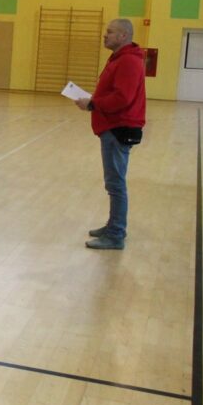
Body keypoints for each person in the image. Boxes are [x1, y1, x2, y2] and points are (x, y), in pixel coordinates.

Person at [74, 18, 146, 250]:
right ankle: (113, 225)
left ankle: (116, 234)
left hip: (118, 128)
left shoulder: (128, 61)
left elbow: (122, 97)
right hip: (112, 126)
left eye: (110, 32)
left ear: (123, 35)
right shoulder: (119, 58)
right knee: (113, 182)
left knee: (116, 183)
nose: (105, 35)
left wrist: (93, 104)